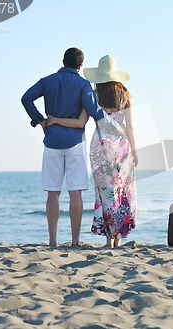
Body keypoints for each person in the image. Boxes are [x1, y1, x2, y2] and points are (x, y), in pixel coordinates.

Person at [47, 54, 138, 248]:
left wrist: (55, 120)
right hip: (122, 148)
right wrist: (135, 151)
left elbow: (81, 122)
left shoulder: (93, 95)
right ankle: (117, 239)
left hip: (101, 147)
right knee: (121, 191)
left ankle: (108, 241)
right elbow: (130, 127)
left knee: (105, 193)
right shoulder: (126, 95)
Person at [21, 48, 105, 246]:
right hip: (75, 142)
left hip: (52, 141)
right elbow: (95, 111)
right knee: (75, 192)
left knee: (53, 192)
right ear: (80, 66)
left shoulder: (47, 80)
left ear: (63, 61)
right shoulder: (83, 84)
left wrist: (40, 120)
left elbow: (26, 99)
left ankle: (52, 241)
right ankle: (75, 241)